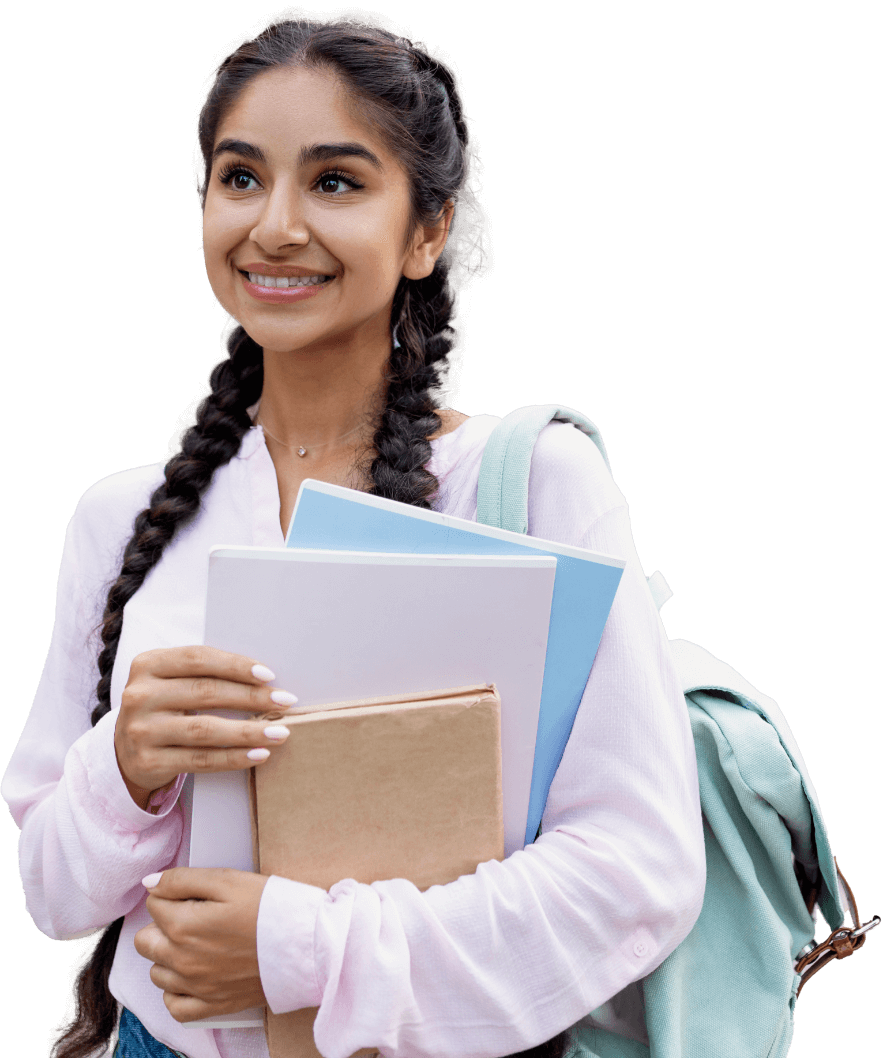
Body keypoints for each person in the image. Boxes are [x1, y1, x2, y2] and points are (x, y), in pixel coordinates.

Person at [3, 9, 705, 1058]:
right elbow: (54, 892)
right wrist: (127, 764)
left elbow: (639, 872)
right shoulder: (123, 517)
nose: (275, 225)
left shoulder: (531, 486)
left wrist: (305, 949)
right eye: (239, 178)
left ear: (427, 231)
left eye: (335, 181)